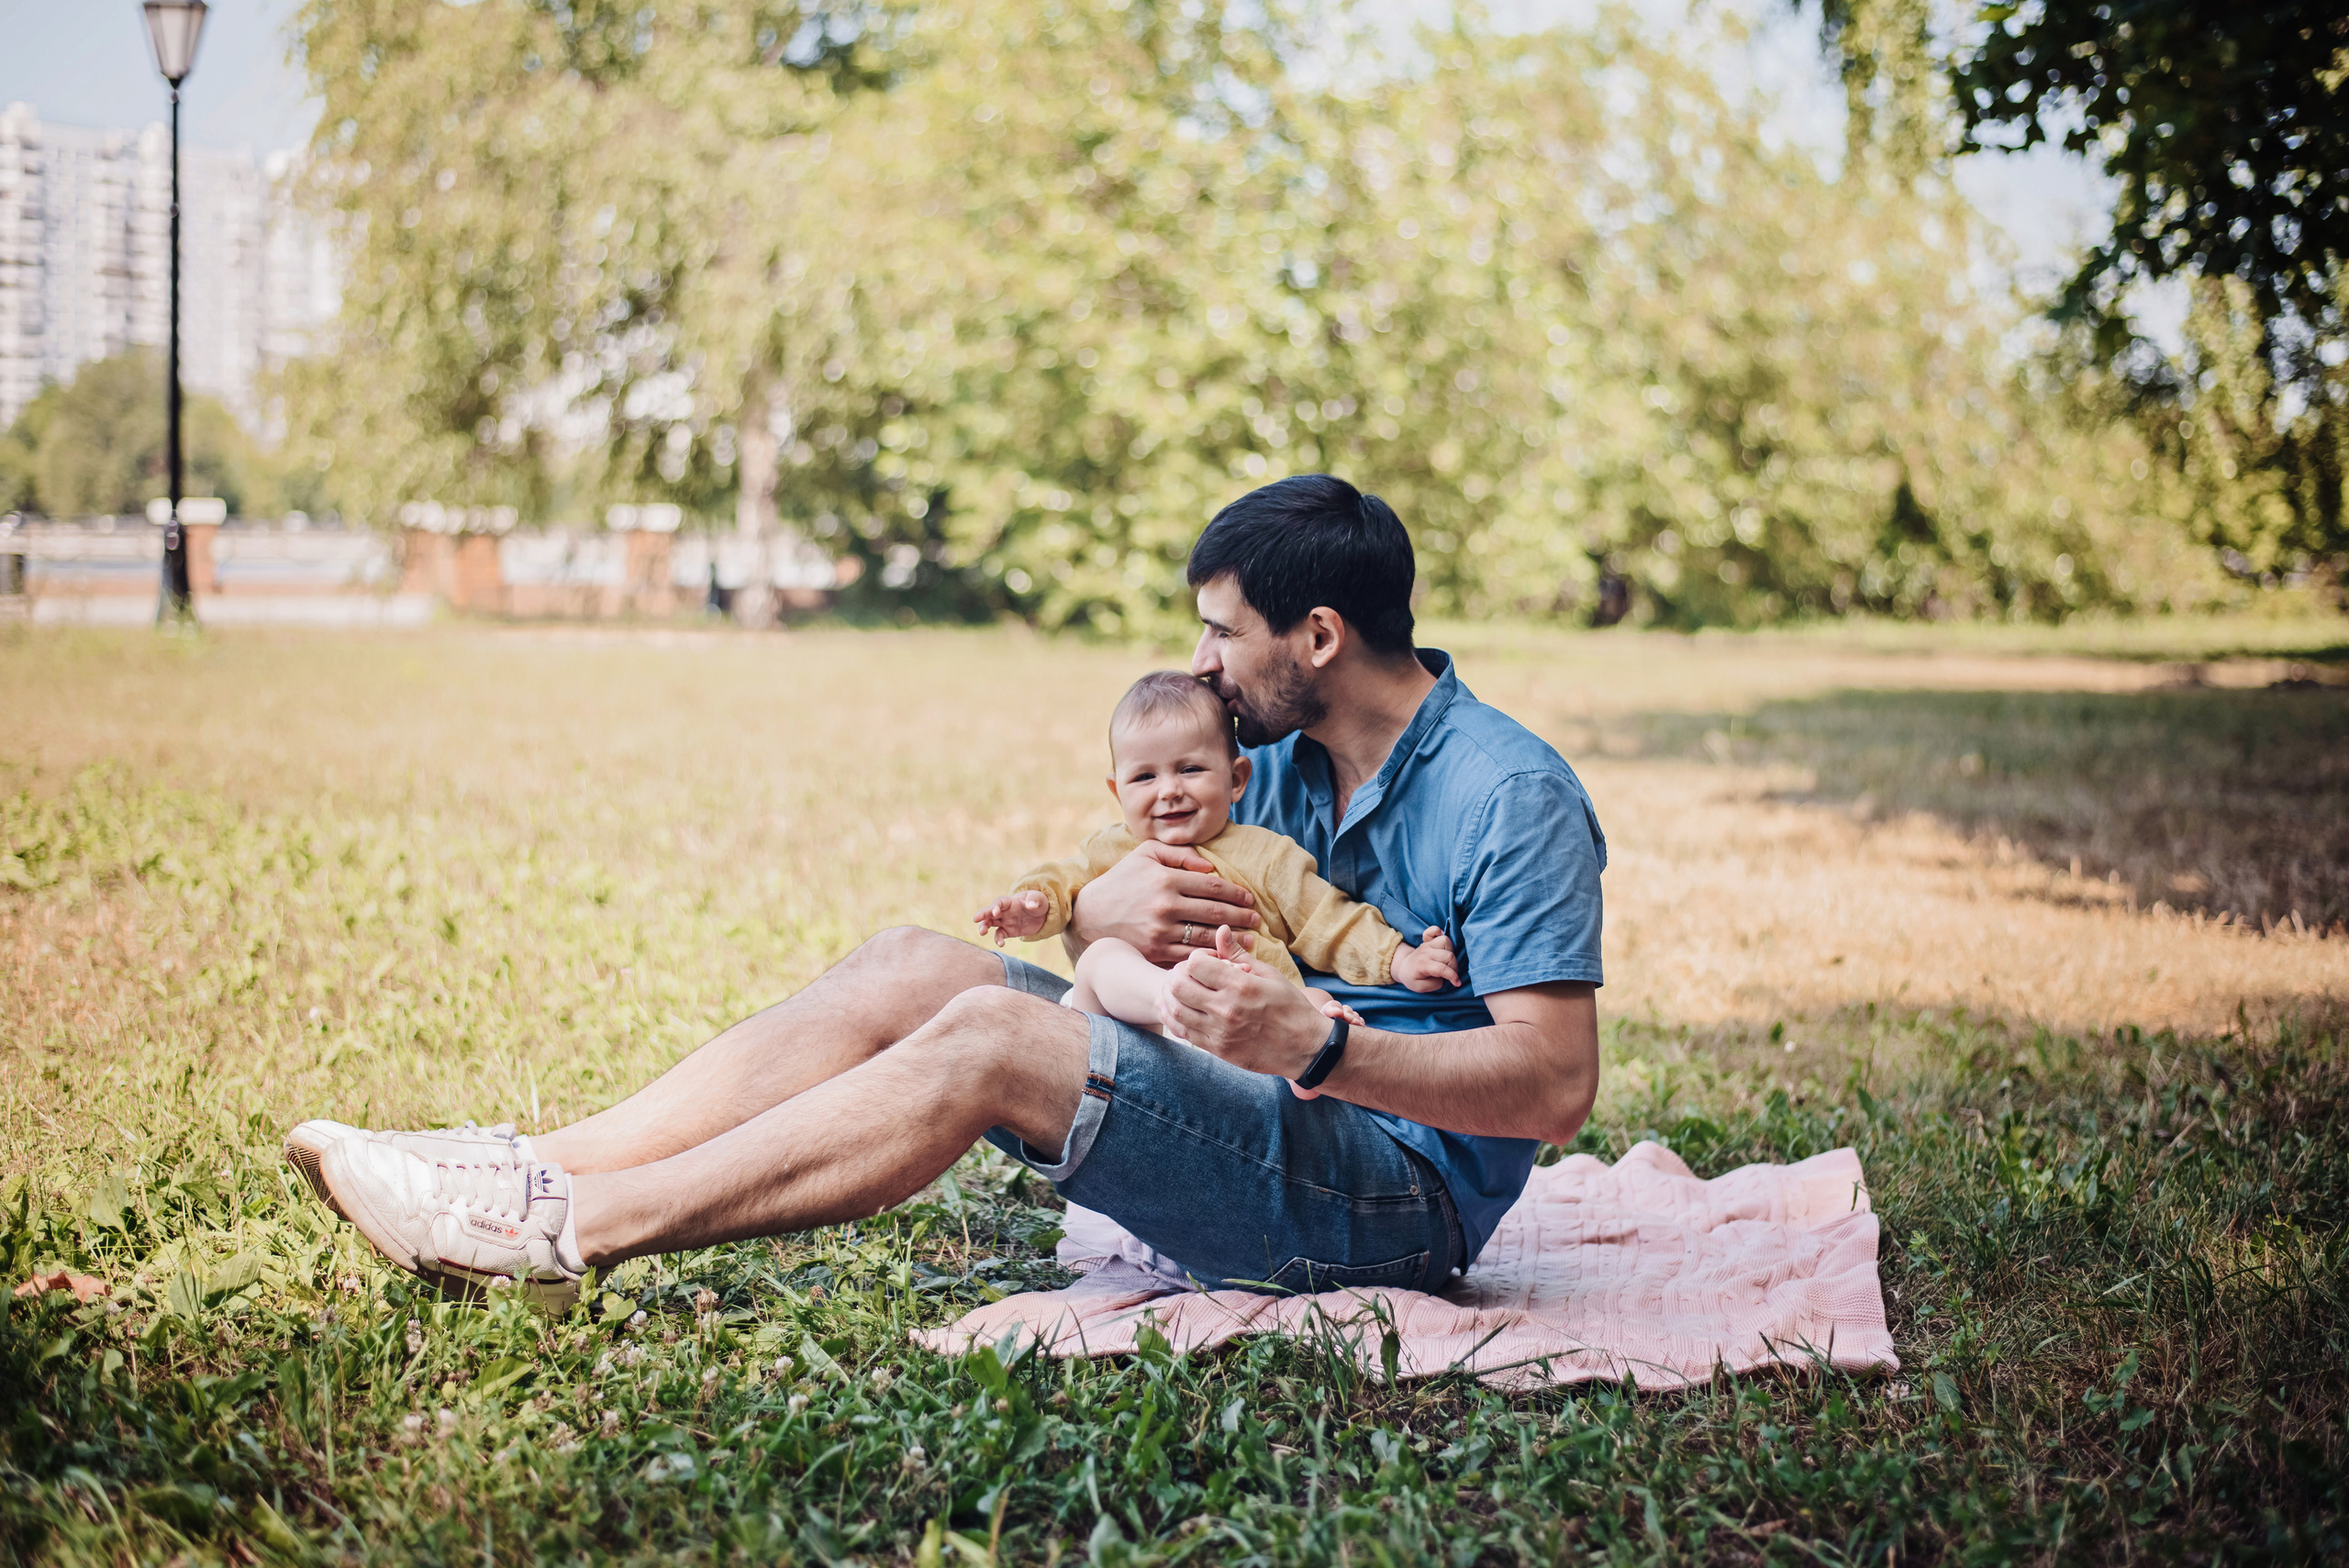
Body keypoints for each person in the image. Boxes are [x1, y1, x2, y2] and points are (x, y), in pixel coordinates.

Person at [283, 473, 1608, 1307]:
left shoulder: (1509, 796)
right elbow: (1120, 927)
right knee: (916, 965)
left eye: (1223, 629)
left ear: (1319, 637)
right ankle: (530, 1162)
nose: (1199, 663)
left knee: (987, 1037)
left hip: (1392, 1201)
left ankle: (572, 1229)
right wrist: (1093, 921)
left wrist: (1319, 1039)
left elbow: (1553, 1086)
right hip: (1250, 1097)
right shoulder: (1277, 760)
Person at [973, 668, 1461, 1045]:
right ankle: (1169, 996)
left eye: (1190, 769)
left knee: (1305, 996)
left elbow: (1326, 920)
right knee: (1102, 958)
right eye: (1145, 778)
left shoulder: (1264, 854)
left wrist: (1399, 960)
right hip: (1135, 1031)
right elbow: (1062, 882)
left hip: (1237, 1031)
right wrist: (1032, 905)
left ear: (1236, 779)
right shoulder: (1109, 850)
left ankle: (1315, 1041)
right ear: (1116, 791)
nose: (1169, 791)